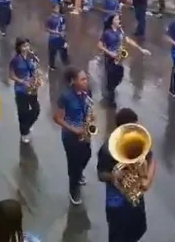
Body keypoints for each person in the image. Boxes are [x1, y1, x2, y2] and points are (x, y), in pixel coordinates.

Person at [97, 108, 155, 242]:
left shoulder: (138, 141)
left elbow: (151, 159)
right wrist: (113, 176)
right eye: (133, 126)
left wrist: (148, 180)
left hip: (136, 198)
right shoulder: (108, 149)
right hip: (117, 205)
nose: (138, 128)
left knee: (138, 230)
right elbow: (100, 174)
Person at [53, 67, 93, 205]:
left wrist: (91, 117)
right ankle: (73, 190)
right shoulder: (65, 96)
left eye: (86, 78)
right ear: (73, 81)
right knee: (74, 164)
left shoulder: (87, 92)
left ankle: (78, 174)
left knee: (87, 155)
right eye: (82, 79)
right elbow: (57, 118)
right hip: (70, 136)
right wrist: (74, 129)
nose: (86, 82)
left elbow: (89, 109)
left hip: (85, 132)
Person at [97, 14, 150, 106]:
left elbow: (128, 40)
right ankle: (109, 97)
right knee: (111, 78)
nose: (119, 21)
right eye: (117, 19)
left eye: (119, 19)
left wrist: (141, 49)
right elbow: (99, 45)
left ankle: (111, 89)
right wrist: (110, 53)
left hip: (120, 57)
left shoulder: (120, 31)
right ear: (112, 21)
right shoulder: (107, 33)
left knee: (119, 76)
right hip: (110, 59)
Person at [9, 38, 40, 144]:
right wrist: (22, 81)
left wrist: (37, 78)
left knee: (36, 110)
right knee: (23, 112)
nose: (26, 48)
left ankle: (27, 126)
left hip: (32, 88)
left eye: (28, 45)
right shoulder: (15, 60)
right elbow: (11, 75)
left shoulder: (32, 57)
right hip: (20, 90)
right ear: (19, 47)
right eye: (24, 46)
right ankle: (24, 133)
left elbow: (34, 69)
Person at [45, 3, 69, 70]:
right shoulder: (50, 18)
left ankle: (65, 61)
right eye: (55, 8)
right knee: (52, 52)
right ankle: (51, 65)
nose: (57, 9)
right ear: (52, 9)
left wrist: (63, 33)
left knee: (64, 48)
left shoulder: (61, 17)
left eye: (58, 8)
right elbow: (47, 29)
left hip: (60, 37)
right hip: (53, 38)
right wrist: (56, 32)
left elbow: (63, 26)